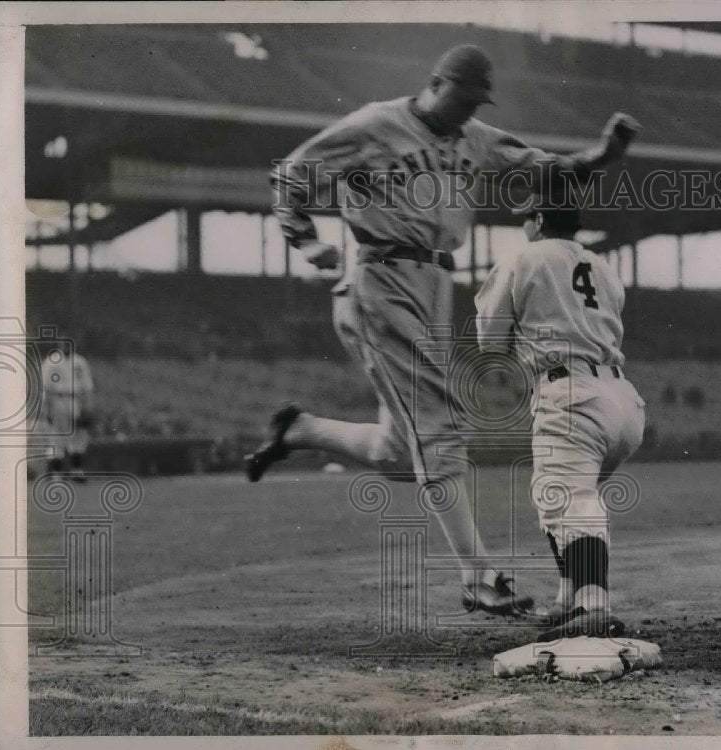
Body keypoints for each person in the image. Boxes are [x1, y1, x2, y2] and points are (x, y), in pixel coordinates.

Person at [245, 43, 640, 617]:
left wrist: (603, 155)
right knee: (439, 432)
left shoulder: (475, 137)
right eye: (463, 98)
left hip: (434, 284)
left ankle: (300, 430)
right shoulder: (375, 124)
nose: (469, 110)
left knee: (401, 450)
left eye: (478, 102)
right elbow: (290, 175)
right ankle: (478, 577)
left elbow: (543, 168)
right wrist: (304, 241)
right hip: (381, 274)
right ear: (435, 83)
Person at [473, 194, 646, 641]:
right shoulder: (603, 266)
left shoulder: (525, 258)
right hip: (622, 399)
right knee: (552, 494)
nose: (524, 226)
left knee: (570, 500)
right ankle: (569, 598)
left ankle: (593, 604)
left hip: (571, 395)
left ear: (539, 219)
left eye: (527, 218)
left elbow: (489, 340)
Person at [41, 343, 95, 482]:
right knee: (56, 435)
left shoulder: (80, 361)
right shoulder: (51, 361)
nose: (66, 346)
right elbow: (45, 387)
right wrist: (46, 408)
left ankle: (77, 471)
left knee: (79, 435)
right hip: (57, 399)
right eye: (63, 343)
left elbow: (87, 386)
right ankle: (56, 474)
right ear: (59, 344)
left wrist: (87, 406)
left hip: (75, 399)